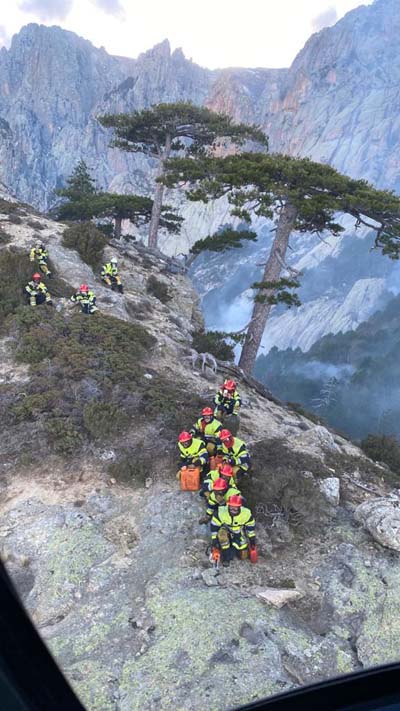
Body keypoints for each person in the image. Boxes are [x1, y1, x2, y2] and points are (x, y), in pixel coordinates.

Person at [210, 494, 256, 566]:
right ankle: (226, 557)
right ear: (228, 506)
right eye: (231, 507)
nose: (233, 510)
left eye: (236, 508)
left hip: (238, 530)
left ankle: (233, 545)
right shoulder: (221, 512)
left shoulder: (246, 514)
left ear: (240, 507)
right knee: (222, 537)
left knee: (243, 556)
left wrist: (252, 538)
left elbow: (250, 526)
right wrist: (214, 539)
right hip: (225, 528)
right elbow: (214, 526)